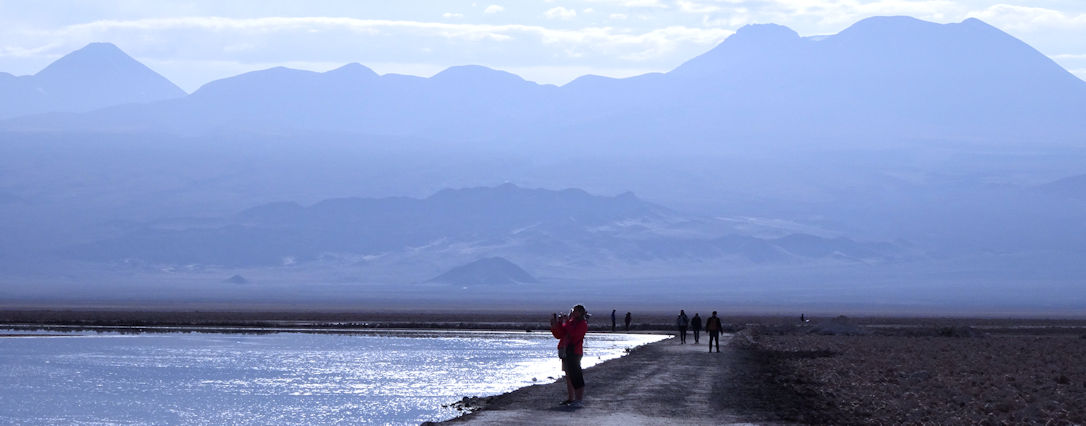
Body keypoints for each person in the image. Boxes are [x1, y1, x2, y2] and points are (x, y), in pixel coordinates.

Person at [551, 304, 589, 408]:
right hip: (566, 352)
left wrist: (566, 322)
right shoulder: (571, 322)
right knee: (568, 375)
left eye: (576, 311)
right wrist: (556, 325)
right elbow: (559, 335)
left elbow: (573, 334)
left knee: (576, 375)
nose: (573, 312)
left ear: (581, 313)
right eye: (573, 310)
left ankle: (579, 399)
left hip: (575, 352)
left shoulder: (582, 324)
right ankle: (571, 398)